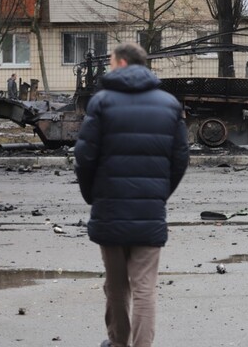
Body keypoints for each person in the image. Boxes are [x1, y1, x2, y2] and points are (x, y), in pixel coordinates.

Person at [74, 43, 189, 347]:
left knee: (116, 287)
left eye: (111, 62)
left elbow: (84, 157)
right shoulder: (169, 104)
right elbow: (180, 159)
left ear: (122, 63)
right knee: (145, 289)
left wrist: (92, 196)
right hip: (150, 212)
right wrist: (159, 194)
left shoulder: (102, 102)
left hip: (109, 209)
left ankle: (118, 343)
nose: (110, 67)